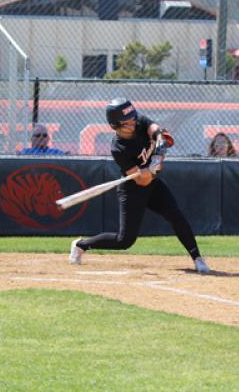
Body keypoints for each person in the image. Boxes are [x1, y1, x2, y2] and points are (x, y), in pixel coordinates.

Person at [68, 97, 210, 274]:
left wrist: (159, 142)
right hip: (133, 190)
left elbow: (155, 129)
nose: (133, 124)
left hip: (153, 184)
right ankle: (82, 245)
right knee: (124, 241)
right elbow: (143, 180)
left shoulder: (139, 122)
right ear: (115, 126)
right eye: (126, 123)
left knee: (176, 215)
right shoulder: (118, 148)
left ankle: (197, 258)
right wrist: (155, 166)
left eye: (133, 119)